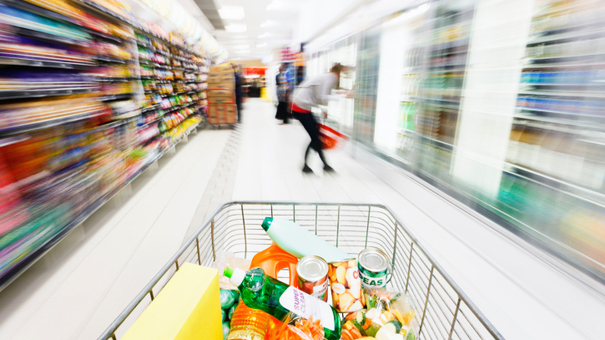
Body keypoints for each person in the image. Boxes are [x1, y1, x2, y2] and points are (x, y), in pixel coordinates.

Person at [291, 63, 346, 173]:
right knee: (315, 137)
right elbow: (322, 97)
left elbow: (317, 95)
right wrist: (343, 95)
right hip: (301, 108)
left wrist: (322, 109)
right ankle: (307, 166)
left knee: (316, 137)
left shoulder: (327, 76)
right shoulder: (332, 77)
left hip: (301, 106)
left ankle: (324, 165)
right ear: (339, 72)